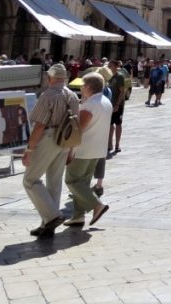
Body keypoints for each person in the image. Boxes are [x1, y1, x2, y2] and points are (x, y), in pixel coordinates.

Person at [22, 63, 79, 237]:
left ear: (50, 78)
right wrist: (71, 150)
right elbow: (75, 124)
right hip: (66, 140)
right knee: (54, 181)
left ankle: (52, 216)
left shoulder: (48, 95)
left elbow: (39, 126)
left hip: (48, 138)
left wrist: (29, 150)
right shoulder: (72, 96)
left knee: (30, 180)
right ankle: (48, 225)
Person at [63, 73, 112, 227]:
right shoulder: (105, 101)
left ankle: (97, 205)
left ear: (89, 87)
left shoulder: (90, 105)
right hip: (98, 150)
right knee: (82, 183)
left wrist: (69, 150)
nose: (81, 88)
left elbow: (78, 130)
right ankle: (78, 216)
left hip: (83, 150)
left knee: (72, 181)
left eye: (83, 85)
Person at [106, 60, 127, 155]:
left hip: (118, 105)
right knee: (110, 125)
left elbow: (122, 92)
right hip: (108, 104)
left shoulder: (119, 77)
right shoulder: (107, 76)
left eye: (110, 66)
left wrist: (117, 104)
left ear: (116, 66)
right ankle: (109, 144)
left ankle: (117, 144)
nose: (109, 68)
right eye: (108, 66)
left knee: (118, 124)